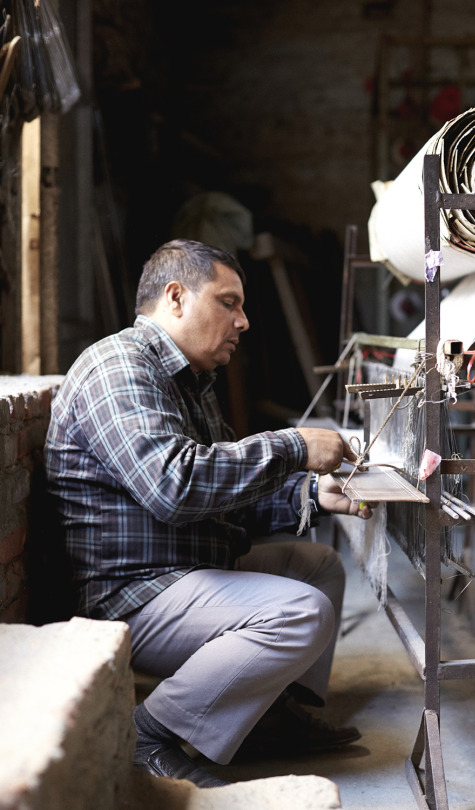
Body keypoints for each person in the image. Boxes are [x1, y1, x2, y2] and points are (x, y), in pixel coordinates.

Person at [45, 239, 373, 789]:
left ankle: (265, 718)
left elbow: (226, 498)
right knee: (300, 612)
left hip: (182, 569)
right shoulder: (118, 368)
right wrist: (292, 445)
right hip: (133, 593)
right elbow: (175, 487)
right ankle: (148, 735)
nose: (243, 321)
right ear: (176, 298)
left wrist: (313, 496)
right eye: (228, 303)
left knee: (319, 567)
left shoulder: (190, 382)